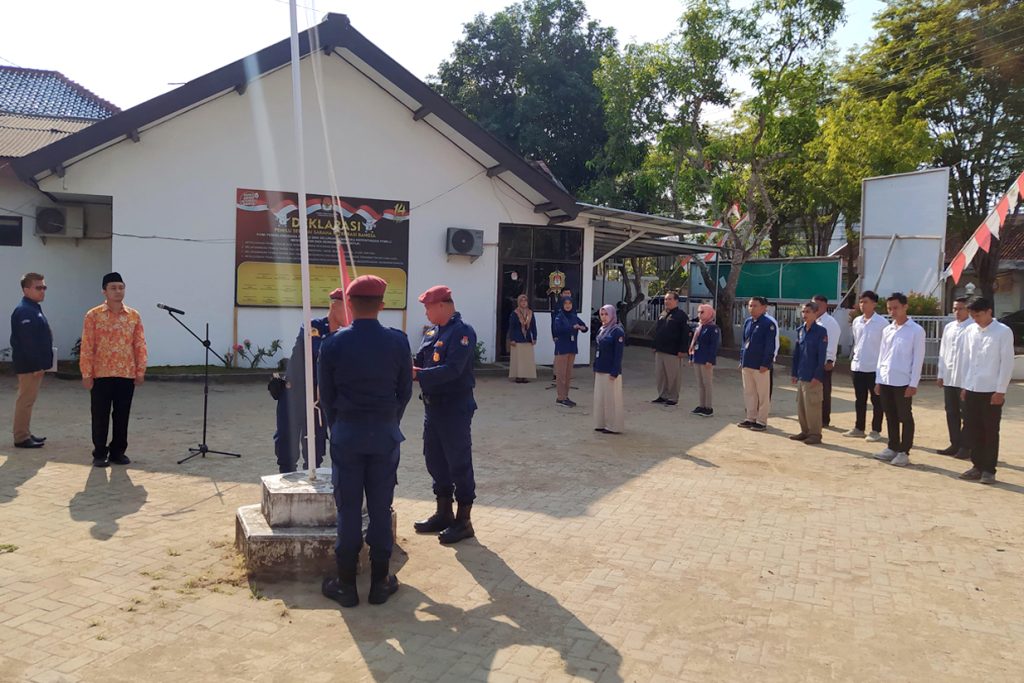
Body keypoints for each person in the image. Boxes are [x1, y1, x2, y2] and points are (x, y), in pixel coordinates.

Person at [318, 275, 412, 607]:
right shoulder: (398, 342)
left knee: (348, 508)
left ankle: (346, 585)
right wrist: (389, 420)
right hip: (384, 435)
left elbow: (326, 397)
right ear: (382, 305)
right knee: (380, 507)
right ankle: (379, 583)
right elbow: (405, 392)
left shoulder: (333, 344)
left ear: (349, 305)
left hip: (347, 435)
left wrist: (340, 426)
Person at [412, 285, 478, 544]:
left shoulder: (462, 332)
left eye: (428, 307)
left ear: (442, 305)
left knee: (458, 462)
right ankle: (443, 512)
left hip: (454, 409)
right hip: (433, 408)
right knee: (434, 460)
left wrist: (418, 375)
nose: (425, 312)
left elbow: (453, 370)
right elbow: (419, 361)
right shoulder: (432, 332)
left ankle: (464, 520)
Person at [274, 288, 347, 473]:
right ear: (334, 306)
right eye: (347, 309)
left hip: (319, 396)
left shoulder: (347, 334)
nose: (350, 314)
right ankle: (286, 476)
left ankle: (312, 475)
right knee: (287, 440)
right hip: (295, 392)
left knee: (315, 444)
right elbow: (317, 351)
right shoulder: (313, 326)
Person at [80, 272, 147, 468]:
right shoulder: (93, 315)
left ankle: (118, 451)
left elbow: (140, 344)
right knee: (100, 414)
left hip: (126, 373)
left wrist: (140, 370)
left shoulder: (133, 316)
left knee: (122, 415)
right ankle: (100, 453)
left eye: (121, 287)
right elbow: (87, 346)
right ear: (104, 291)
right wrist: (86, 373)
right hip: (101, 374)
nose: (118, 291)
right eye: (113, 288)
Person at [957, 297, 1014, 485]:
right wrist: (965, 385)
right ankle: (977, 466)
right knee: (973, 429)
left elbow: (1006, 363)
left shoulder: (1003, 332)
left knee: (990, 431)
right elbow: (966, 359)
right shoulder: (970, 331)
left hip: (991, 390)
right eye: (972, 316)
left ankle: (989, 469)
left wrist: (1001, 390)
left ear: (989, 311)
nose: (976, 319)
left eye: (978, 315)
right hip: (972, 388)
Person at [873, 292, 925, 467]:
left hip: (903, 381)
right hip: (886, 379)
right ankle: (892, 446)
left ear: (905, 307)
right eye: (889, 308)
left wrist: (913, 383)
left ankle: (904, 451)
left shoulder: (916, 330)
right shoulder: (887, 330)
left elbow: (918, 358)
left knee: (905, 416)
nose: (892, 311)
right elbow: (882, 355)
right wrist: (878, 379)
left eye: (895, 308)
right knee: (890, 415)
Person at [10, 272, 53, 449]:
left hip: (33, 364)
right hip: (29, 366)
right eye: (38, 287)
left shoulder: (33, 308)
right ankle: (21, 437)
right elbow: (28, 342)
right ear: (26, 289)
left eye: (44, 287)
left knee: (28, 400)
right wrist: (37, 365)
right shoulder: (25, 311)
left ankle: (25, 432)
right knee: (25, 401)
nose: (42, 291)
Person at [845, 291, 887, 441]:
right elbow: (857, 342)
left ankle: (876, 430)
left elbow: (885, 347)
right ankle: (859, 428)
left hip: (874, 368)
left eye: (866, 302)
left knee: (877, 401)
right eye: (861, 302)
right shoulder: (857, 321)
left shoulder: (882, 323)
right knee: (859, 399)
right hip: (858, 367)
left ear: (874, 304)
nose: (863, 305)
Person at [935, 296, 974, 459]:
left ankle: (967, 446)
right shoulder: (949, 327)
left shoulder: (973, 328)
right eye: (955, 309)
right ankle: (955, 443)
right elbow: (943, 351)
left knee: (968, 414)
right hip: (950, 377)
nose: (957, 312)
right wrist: (941, 374)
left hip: (965, 379)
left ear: (968, 310)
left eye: (961, 309)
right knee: (951, 412)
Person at [789, 302, 828, 445]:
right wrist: (794, 373)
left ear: (815, 313)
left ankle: (815, 434)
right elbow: (797, 354)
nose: (804, 315)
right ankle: (805, 431)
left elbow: (821, 355)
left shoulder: (821, 331)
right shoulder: (800, 330)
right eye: (803, 312)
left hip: (812, 375)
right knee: (802, 406)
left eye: (808, 312)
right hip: (802, 373)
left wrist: (818, 375)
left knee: (813, 406)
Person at [739, 296, 776, 432]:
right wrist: (741, 359)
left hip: (761, 365)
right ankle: (750, 417)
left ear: (764, 308)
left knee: (763, 394)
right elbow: (744, 342)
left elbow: (770, 346)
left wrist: (766, 363)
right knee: (749, 392)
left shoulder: (768, 324)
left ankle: (761, 421)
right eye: (750, 305)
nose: (751, 308)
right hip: (747, 362)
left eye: (755, 306)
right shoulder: (748, 322)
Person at [651, 291, 691, 406]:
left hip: (673, 351)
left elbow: (685, 334)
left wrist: (683, 350)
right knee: (660, 375)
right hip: (660, 349)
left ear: (676, 301)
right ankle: (663, 395)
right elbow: (657, 331)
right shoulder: (663, 313)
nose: (666, 301)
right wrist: (654, 345)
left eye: (669, 299)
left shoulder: (681, 315)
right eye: (665, 299)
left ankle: (673, 397)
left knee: (673, 376)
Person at [593, 304, 625, 434]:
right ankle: (600, 422)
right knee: (600, 398)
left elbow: (618, 354)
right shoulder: (602, 329)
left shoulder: (617, 331)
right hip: (600, 368)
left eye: (606, 314)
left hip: (610, 370)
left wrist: (615, 370)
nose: (604, 317)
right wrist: (595, 366)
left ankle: (613, 425)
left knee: (611, 399)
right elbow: (598, 349)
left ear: (612, 315)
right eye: (602, 314)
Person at [551, 295, 588, 407]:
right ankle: (560, 398)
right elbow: (558, 330)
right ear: (562, 305)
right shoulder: (559, 316)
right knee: (561, 374)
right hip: (562, 348)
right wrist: (573, 327)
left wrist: (583, 328)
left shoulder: (574, 316)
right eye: (565, 303)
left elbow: (585, 327)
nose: (568, 306)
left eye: (570, 303)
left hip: (572, 348)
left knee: (568, 374)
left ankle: (565, 396)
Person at [813, 295, 841, 427]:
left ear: (825, 306)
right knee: (813, 392)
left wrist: (829, 360)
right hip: (812, 362)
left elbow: (832, 343)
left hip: (824, 363)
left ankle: (824, 419)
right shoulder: (813, 320)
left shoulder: (830, 322)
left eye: (818, 305)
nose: (816, 307)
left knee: (824, 392)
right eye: (814, 304)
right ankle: (814, 417)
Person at [689, 303, 720, 416]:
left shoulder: (713, 328)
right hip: (698, 357)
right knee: (700, 383)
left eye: (702, 312)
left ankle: (708, 407)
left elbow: (713, 346)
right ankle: (701, 405)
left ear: (710, 313)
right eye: (699, 312)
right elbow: (694, 343)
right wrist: (691, 357)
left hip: (706, 359)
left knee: (707, 384)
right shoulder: (699, 327)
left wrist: (710, 360)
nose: (700, 314)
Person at [507, 294, 537, 383]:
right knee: (518, 359)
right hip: (517, 338)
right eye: (521, 301)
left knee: (526, 359)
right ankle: (518, 376)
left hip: (527, 338)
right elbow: (511, 327)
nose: (524, 303)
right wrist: (512, 339)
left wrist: (534, 337)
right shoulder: (515, 313)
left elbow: (533, 326)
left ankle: (525, 376)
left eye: (525, 301)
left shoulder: (530, 313)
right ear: (518, 302)